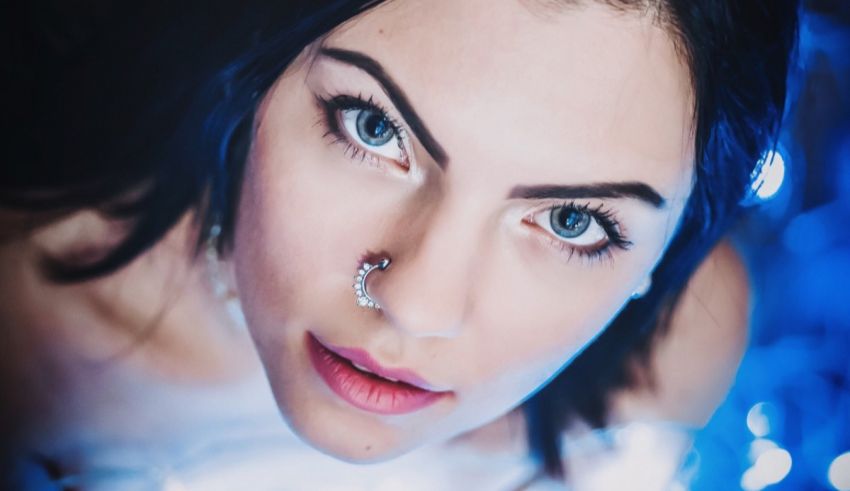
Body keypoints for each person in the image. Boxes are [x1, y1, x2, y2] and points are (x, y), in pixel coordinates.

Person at [1, 0, 799, 488]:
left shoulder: (673, 351)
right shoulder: (35, 333)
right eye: (374, 128)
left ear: (663, 252)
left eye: (571, 222)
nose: (416, 307)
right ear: (258, 77)